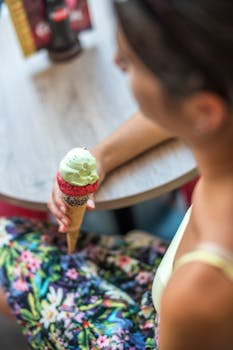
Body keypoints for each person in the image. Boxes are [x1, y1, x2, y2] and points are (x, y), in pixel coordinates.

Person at [0, 0, 233, 349]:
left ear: (202, 110)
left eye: (132, 63)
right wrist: (101, 157)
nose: (116, 63)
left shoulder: (200, 293)